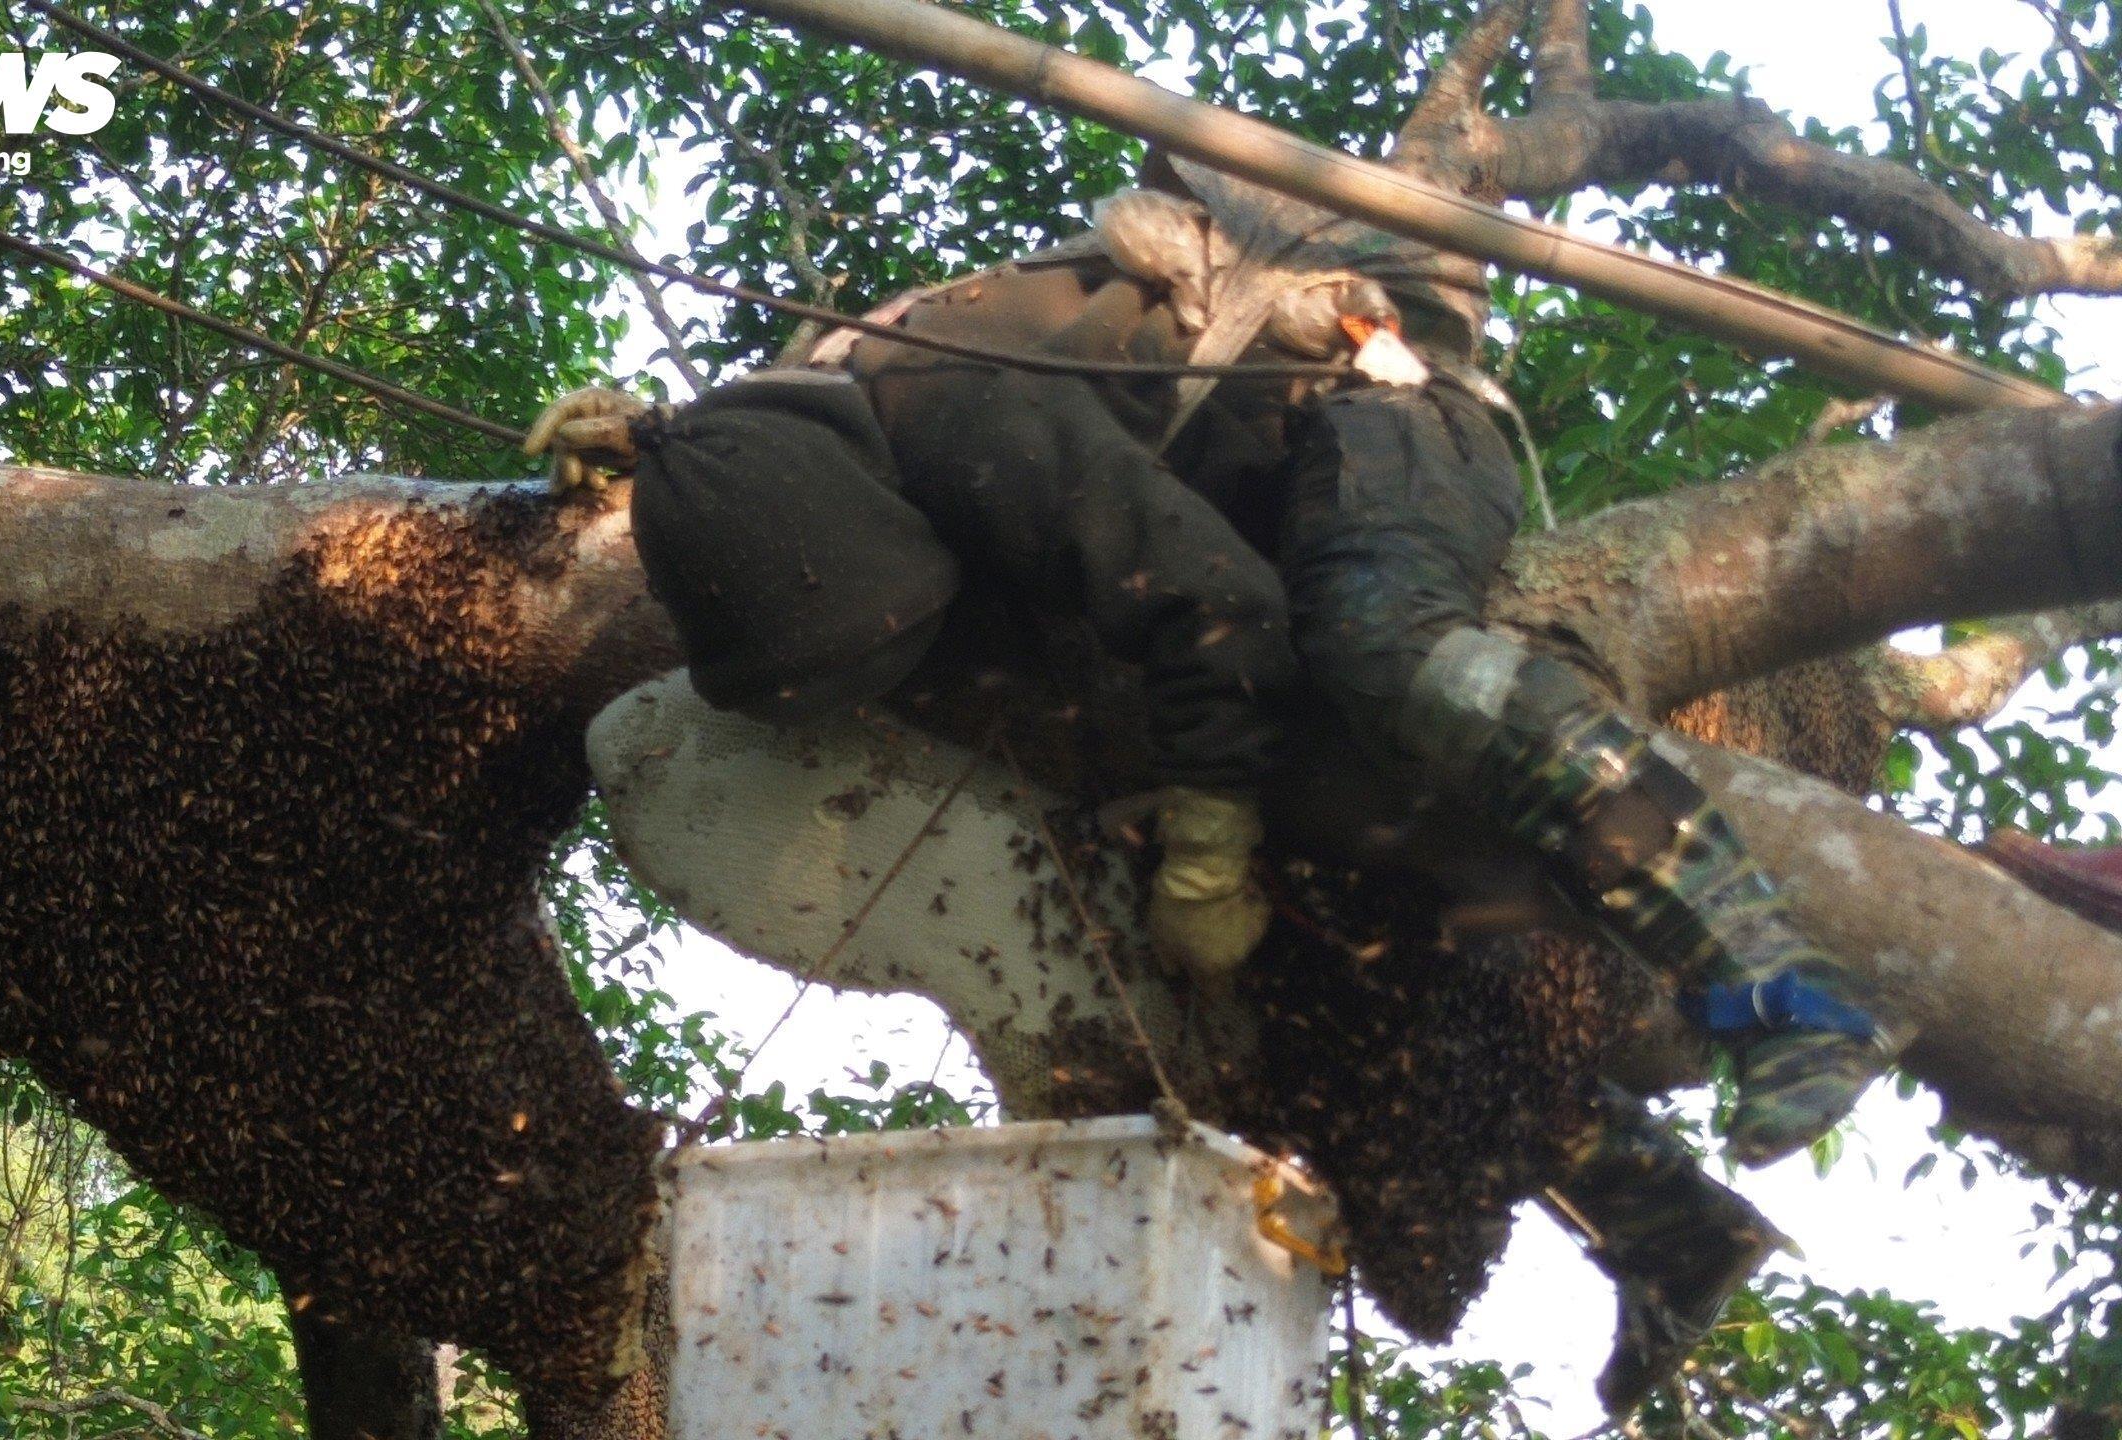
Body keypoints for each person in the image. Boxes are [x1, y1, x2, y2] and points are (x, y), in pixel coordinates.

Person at [532, 152, 1899, 1409]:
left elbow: (1220, 613)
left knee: (1390, 645)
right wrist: (638, 466)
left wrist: (1204, 849)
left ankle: (1783, 991)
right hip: (1244, 518)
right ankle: (1668, 1223)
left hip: (1372, 415)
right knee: (1330, 942)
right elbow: (756, 497)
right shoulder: (785, 433)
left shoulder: (951, 414)